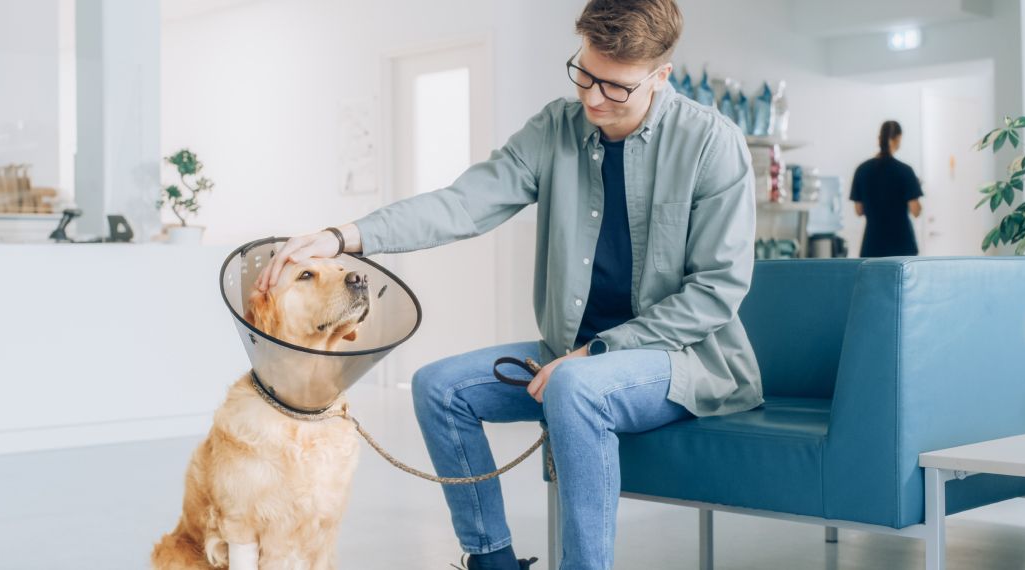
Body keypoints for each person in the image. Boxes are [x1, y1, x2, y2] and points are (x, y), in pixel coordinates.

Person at [256, 1, 761, 568]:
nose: (592, 98)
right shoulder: (556, 128)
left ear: (660, 76)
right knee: (437, 387)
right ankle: (491, 559)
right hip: (568, 352)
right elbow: (462, 204)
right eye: (585, 74)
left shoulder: (713, 144)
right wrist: (343, 236)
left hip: (680, 360)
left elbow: (716, 290)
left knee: (577, 386)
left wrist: (595, 352)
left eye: (614, 87)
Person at [850, 120, 924, 257]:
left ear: (879, 139)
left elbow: (859, 211)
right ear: (898, 139)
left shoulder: (862, 170)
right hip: (902, 247)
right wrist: (916, 186)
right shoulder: (906, 171)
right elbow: (916, 211)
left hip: (872, 246)